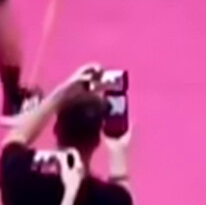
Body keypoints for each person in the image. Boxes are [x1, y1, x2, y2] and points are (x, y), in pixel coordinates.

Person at [0, 66, 132, 205]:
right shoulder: (110, 199)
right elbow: (124, 198)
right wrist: (118, 155)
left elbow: (17, 137)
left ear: (56, 129)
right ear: (96, 141)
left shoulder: (19, 176)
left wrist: (60, 95)